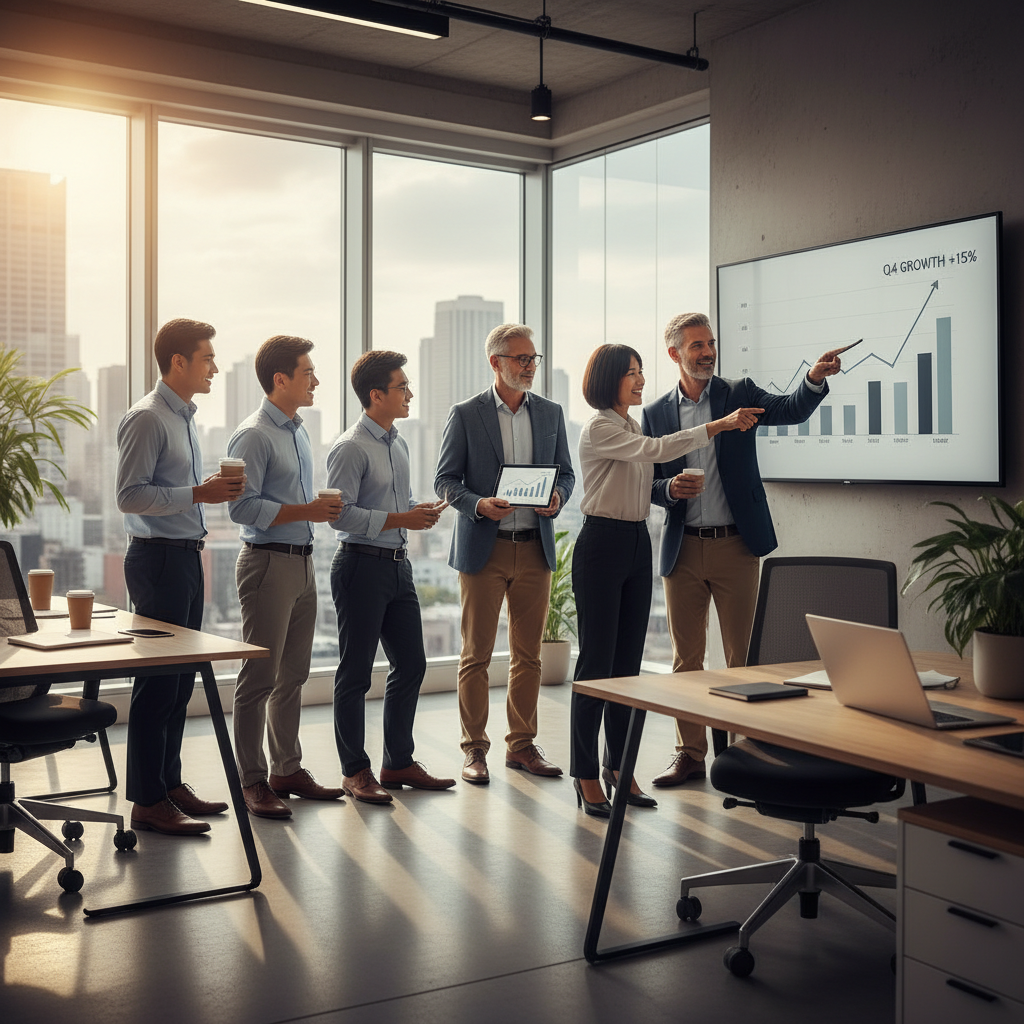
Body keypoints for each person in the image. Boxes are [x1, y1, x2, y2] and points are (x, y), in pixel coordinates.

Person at [641, 312, 841, 788]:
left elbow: (790, 409)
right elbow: (648, 483)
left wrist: (812, 379)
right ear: (674, 354)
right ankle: (689, 753)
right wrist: (670, 491)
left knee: (743, 658)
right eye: (696, 346)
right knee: (686, 661)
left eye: (710, 343)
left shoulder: (739, 393)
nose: (708, 352)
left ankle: (747, 750)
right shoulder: (655, 414)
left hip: (735, 544)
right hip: (683, 549)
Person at [570, 343, 761, 818]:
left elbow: (649, 476)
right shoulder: (600, 427)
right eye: (630, 374)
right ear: (607, 380)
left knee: (626, 670)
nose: (639, 380)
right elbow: (656, 451)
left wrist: (670, 488)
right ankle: (585, 774)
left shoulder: (629, 423)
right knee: (596, 668)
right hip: (601, 545)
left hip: (637, 543)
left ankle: (620, 767)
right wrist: (716, 425)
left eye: (641, 372)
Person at [115, 318, 245, 835]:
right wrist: (198, 494)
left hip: (186, 555)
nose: (214, 366)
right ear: (178, 362)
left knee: (180, 679)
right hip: (157, 558)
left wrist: (206, 493)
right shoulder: (148, 418)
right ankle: (147, 800)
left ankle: (168, 783)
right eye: (207, 357)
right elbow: (129, 496)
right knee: (158, 680)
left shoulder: (185, 419)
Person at [434, 323, 575, 785]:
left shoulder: (552, 413)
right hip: (484, 549)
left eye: (533, 358)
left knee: (528, 656)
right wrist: (478, 504)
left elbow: (567, 475)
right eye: (521, 359)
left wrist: (557, 497)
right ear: (495, 363)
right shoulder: (465, 414)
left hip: (534, 548)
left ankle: (521, 746)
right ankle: (474, 750)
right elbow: (445, 481)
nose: (530, 366)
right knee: (476, 654)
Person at [326, 350, 454, 804]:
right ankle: (354, 771)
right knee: (356, 674)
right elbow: (339, 517)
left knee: (412, 664)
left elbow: (387, 504)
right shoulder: (350, 446)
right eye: (402, 387)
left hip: (398, 567)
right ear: (375, 394)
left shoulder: (397, 441)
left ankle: (397, 761)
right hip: (360, 566)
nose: (410, 394)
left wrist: (413, 511)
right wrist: (401, 518)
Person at [226, 335, 345, 819]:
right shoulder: (253, 435)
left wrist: (311, 510)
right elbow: (241, 507)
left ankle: (286, 768)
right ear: (281, 379)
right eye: (308, 372)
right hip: (268, 562)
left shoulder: (298, 431)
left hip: (302, 559)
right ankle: (252, 780)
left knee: (293, 674)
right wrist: (307, 508)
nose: (316, 380)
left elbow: (289, 504)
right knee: (259, 676)